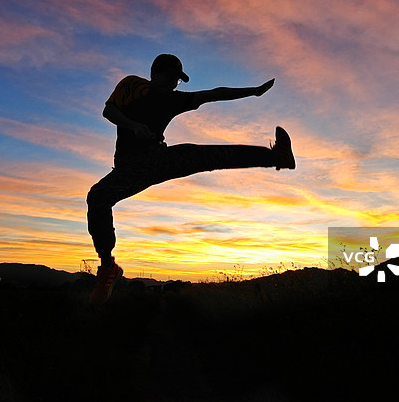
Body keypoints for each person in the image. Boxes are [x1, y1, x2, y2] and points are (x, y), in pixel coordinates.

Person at [86, 54, 296, 304]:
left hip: (159, 159)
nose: (175, 83)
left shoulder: (173, 99)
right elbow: (109, 110)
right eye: (171, 77)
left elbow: (212, 94)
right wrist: (132, 125)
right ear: (155, 72)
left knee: (204, 155)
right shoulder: (132, 85)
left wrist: (253, 91)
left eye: (177, 80)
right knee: (98, 197)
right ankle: (108, 267)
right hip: (129, 168)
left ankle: (277, 157)